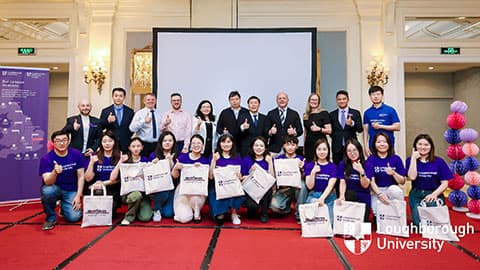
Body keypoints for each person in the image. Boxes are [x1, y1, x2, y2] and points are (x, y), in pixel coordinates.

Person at [39, 130, 86, 230]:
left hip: (71, 190)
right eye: (58, 141)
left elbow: (81, 176)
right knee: (47, 191)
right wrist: (55, 172)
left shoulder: (77, 154)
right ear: (53, 143)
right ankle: (50, 218)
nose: (61, 143)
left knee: (74, 217)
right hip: (55, 188)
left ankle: (64, 208)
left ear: (69, 141)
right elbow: (47, 182)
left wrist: (78, 196)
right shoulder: (46, 159)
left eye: (64, 140)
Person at [406, 134, 452, 227]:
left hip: (434, 193)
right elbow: (412, 177)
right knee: (419, 225)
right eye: (420, 144)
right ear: (415, 146)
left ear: (431, 147)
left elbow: (445, 183)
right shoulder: (410, 160)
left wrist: (434, 194)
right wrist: (414, 159)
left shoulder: (439, 161)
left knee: (432, 224)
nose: (423, 147)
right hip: (416, 195)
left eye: (426, 145)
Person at [110, 137, 151, 225]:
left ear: (142, 147)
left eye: (138, 146)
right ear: (129, 148)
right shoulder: (125, 160)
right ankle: (129, 217)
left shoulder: (146, 160)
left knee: (145, 217)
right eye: (133, 146)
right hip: (128, 193)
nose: (136, 148)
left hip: (143, 193)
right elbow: (112, 178)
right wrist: (120, 162)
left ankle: (137, 208)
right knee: (136, 195)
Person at [172, 134, 210, 223]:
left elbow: (208, 178)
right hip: (183, 190)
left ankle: (197, 212)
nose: (196, 145)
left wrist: (201, 168)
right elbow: (174, 176)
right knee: (183, 218)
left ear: (203, 145)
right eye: (193, 143)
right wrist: (176, 168)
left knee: (196, 197)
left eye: (199, 143)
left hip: (198, 191)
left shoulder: (205, 160)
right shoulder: (182, 157)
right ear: (190, 145)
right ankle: (186, 211)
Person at [366, 132, 406, 217]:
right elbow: (371, 181)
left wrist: (394, 173)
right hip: (377, 191)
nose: (382, 144)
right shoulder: (371, 159)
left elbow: (402, 181)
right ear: (374, 144)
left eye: (384, 142)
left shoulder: (396, 159)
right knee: (379, 215)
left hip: (392, 190)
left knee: (395, 190)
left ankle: (399, 215)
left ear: (389, 144)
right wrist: (380, 194)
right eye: (379, 142)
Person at [84, 131, 122, 218]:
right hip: (95, 188)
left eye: (110, 141)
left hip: (112, 188)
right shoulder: (95, 156)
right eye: (104, 141)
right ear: (101, 143)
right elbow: (88, 179)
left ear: (114, 142)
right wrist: (91, 163)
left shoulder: (119, 157)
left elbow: (116, 179)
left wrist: (102, 183)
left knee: (108, 214)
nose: (107, 144)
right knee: (96, 214)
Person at [208, 134, 244, 225]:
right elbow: (211, 177)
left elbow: (241, 176)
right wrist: (214, 161)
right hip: (217, 188)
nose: (226, 144)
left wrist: (239, 176)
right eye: (223, 142)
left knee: (234, 191)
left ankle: (234, 213)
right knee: (219, 219)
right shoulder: (215, 156)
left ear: (232, 143)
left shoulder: (237, 156)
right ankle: (221, 211)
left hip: (232, 187)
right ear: (219, 144)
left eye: (228, 142)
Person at [271, 135, 305, 220]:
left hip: (297, 188)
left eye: (293, 145)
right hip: (284, 189)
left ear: (297, 146)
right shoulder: (278, 159)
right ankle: (287, 208)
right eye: (288, 144)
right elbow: (275, 176)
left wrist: (302, 169)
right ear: (284, 146)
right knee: (273, 206)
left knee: (303, 185)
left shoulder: (301, 159)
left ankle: (299, 214)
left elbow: (305, 178)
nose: (290, 147)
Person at [241, 136, 274, 223]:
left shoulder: (269, 159)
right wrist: (252, 173)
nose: (259, 148)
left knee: (266, 189)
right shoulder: (246, 160)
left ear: (265, 148)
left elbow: (272, 178)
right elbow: (242, 178)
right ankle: (252, 209)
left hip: (265, 190)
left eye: (261, 146)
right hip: (250, 190)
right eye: (256, 145)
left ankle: (264, 213)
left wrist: (270, 163)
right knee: (253, 209)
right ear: (252, 147)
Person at [304, 138, 337, 222]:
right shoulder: (310, 165)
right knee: (312, 221)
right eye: (319, 149)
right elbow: (309, 186)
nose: (322, 152)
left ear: (328, 151)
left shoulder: (332, 166)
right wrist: (313, 173)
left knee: (329, 223)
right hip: (314, 195)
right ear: (315, 151)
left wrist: (322, 198)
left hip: (329, 196)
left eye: (324, 149)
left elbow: (331, 185)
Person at [337, 139, 371, 222]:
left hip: (363, 197)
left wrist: (361, 171)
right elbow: (342, 181)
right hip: (349, 196)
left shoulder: (368, 164)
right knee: (350, 193)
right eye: (349, 151)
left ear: (359, 150)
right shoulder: (342, 164)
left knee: (362, 224)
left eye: (354, 150)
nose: (352, 153)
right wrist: (341, 195)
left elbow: (365, 185)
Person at [148, 131, 178, 222]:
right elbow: (149, 173)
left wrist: (170, 161)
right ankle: (157, 208)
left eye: (170, 140)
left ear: (173, 142)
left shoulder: (177, 155)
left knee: (168, 214)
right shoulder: (153, 155)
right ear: (161, 142)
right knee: (163, 191)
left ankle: (161, 207)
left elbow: (175, 176)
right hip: (158, 187)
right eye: (165, 141)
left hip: (172, 186)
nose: (167, 142)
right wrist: (153, 164)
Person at [363, 85, 400, 157]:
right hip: (373, 146)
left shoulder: (390, 110)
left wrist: (380, 126)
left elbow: (397, 127)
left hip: (388, 145)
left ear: (382, 95)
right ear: (370, 96)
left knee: (389, 166)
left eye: (378, 94)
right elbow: (365, 130)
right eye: (373, 95)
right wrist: (365, 146)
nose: (375, 97)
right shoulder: (367, 112)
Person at [329, 90, 363, 164]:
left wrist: (352, 124)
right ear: (336, 100)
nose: (342, 101)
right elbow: (331, 132)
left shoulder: (355, 113)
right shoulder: (332, 114)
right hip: (337, 148)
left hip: (352, 148)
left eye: (344, 99)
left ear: (348, 99)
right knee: (338, 170)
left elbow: (360, 129)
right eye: (339, 99)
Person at [100, 87, 134, 153]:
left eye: (121, 96)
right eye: (116, 96)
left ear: (124, 97)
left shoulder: (130, 111)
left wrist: (126, 136)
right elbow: (100, 127)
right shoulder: (106, 111)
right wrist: (108, 121)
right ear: (112, 97)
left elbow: (132, 128)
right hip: (110, 144)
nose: (118, 98)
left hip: (125, 143)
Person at [303, 92, 331, 162]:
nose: (314, 101)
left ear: (318, 102)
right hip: (309, 145)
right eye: (312, 100)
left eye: (316, 100)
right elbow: (305, 132)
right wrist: (304, 147)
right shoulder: (306, 115)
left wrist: (319, 129)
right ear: (309, 101)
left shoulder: (324, 113)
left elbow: (329, 130)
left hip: (320, 144)